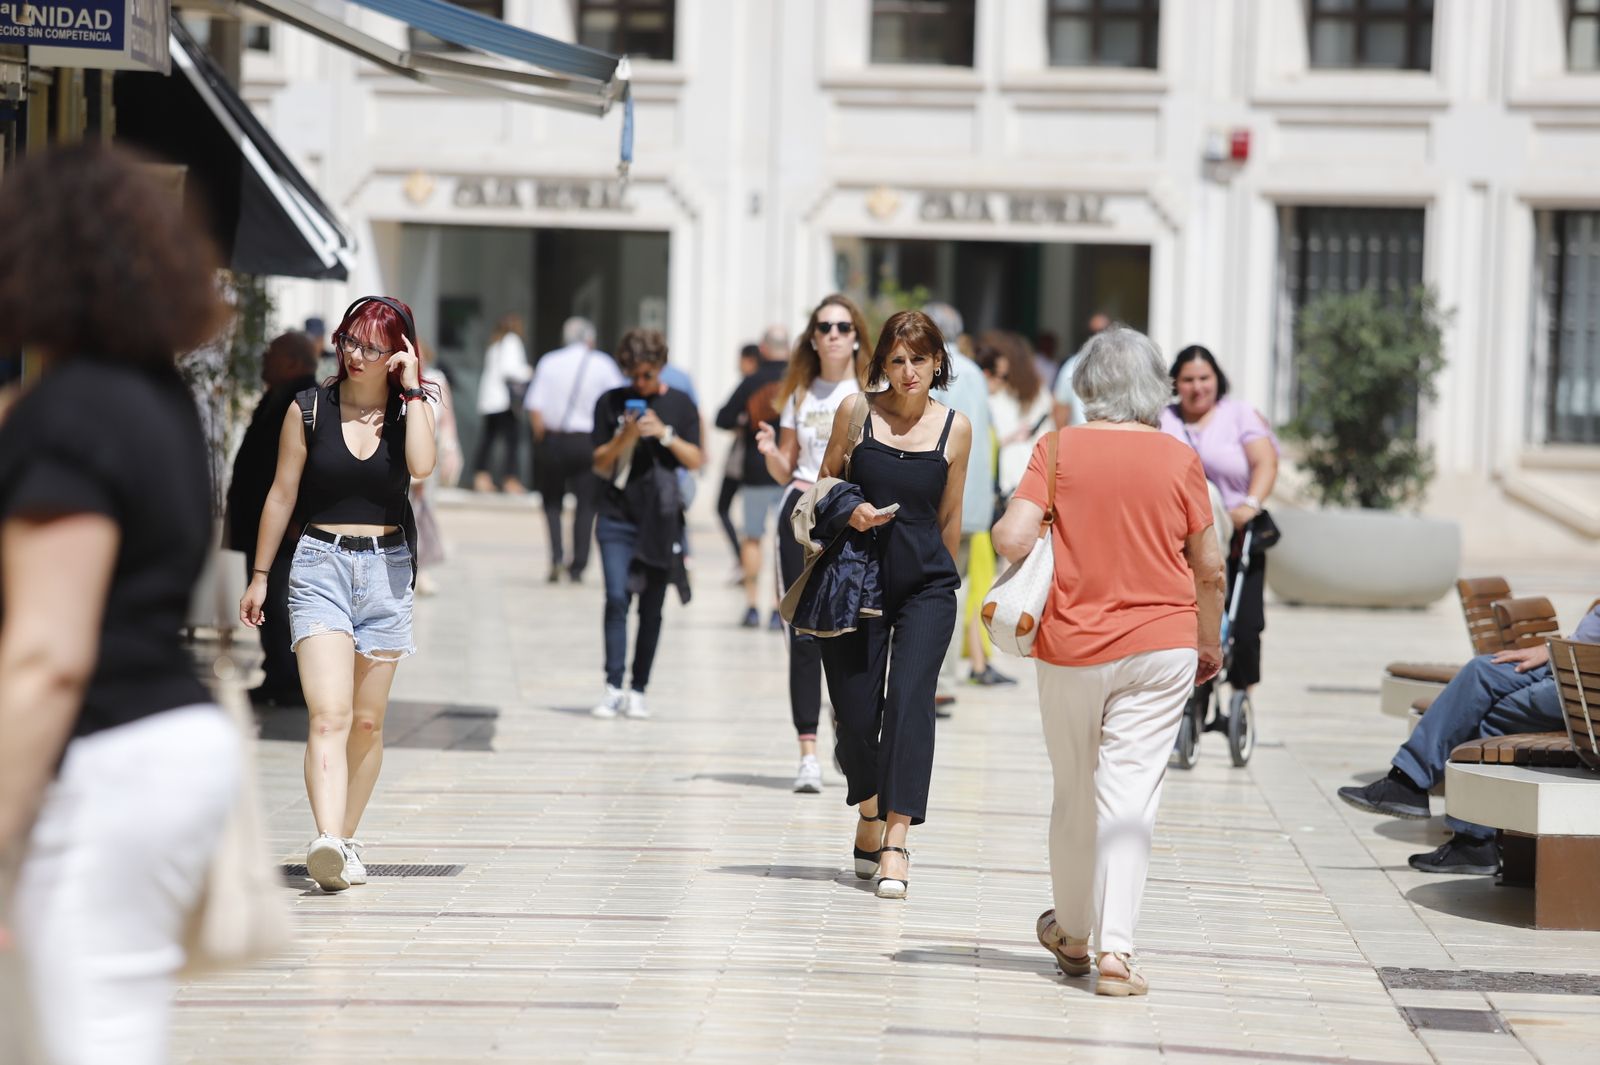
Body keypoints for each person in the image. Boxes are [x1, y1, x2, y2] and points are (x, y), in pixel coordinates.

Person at [0, 144, 239, 1065]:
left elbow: (47, 656)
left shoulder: (75, 415)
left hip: (102, 765)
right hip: (164, 748)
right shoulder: (157, 399)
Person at [993, 325, 1225, 998]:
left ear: (1087, 384)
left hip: (1072, 643)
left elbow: (1011, 538)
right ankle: (1116, 952)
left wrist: (1040, 520)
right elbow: (1209, 567)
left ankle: (1072, 933)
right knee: (1130, 795)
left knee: (1075, 791)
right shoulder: (1179, 458)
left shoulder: (1057, 447)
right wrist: (1209, 641)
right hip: (1162, 643)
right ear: (1154, 387)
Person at [239, 295, 438, 893]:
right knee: (329, 715)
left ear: (398, 353)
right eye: (350, 341)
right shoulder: (307, 409)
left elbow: (423, 467)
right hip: (319, 567)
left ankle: (345, 840)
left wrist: (413, 390)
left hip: (387, 573)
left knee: (367, 724)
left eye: (373, 347)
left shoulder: (409, 412)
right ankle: (326, 839)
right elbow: (281, 494)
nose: (357, 355)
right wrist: (260, 575)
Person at [818, 310, 972, 900]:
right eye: (898, 360)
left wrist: (946, 581)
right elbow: (825, 483)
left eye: (920, 360)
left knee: (910, 706)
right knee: (856, 714)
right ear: (882, 362)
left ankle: (897, 842)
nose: (909, 372)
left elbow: (950, 516)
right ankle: (870, 807)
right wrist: (850, 511)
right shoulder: (856, 411)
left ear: (938, 362)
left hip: (925, 587)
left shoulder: (955, 429)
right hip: (855, 584)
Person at [1337, 600, 1600, 873]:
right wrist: (1550, 648)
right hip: (1568, 664)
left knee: (1489, 716)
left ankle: (1473, 843)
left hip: (1584, 681)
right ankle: (1406, 782)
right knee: (1481, 670)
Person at [755, 295, 869, 793]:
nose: (834, 334)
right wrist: (769, 454)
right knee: (801, 635)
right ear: (813, 338)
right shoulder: (799, 394)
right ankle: (807, 753)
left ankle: (848, 732)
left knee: (849, 629)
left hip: (850, 513)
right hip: (801, 511)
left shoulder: (870, 391)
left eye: (843, 326)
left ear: (857, 336)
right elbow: (787, 465)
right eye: (824, 327)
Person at [590, 329, 704, 720]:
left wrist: (664, 434)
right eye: (633, 375)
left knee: (652, 607)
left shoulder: (681, 403)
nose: (640, 383)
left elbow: (696, 459)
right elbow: (599, 462)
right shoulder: (610, 402)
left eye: (648, 375)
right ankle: (612, 686)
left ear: (661, 367)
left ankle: (638, 688)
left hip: (661, 520)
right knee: (617, 597)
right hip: (615, 516)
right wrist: (625, 436)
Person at [1158, 345, 1278, 698]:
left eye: (1204, 378)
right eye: (1188, 380)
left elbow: (1266, 462)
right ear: (1176, 383)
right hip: (1180, 537)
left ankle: (1243, 691)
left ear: (1217, 379)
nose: (1197, 387)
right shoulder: (1163, 419)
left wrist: (1251, 504)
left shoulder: (1240, 415)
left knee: (1246, 626)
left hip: (1236, 531)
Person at [227, 331, 320, 705]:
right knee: (265, 603)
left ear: (293, 362)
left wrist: (298, 519)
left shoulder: (305, 401)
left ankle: (291, 680)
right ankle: (277, 674)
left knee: (279, 602)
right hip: (259, 519)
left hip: (287, 528)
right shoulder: (278, 395)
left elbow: (309, 468)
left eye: (273, 354)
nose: (265, 359)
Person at [922, 302, 993, 715]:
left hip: (940, 499)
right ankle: (944, 681)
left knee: (927, 590)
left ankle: (929, 680)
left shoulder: (932, 369)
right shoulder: (976, 373)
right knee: (955, 590)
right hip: (975, 499)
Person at [526, 317, 623, 584]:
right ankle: (578, 565)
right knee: (587, 504)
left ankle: (556, 557)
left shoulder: (549, 362)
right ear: (590, 339)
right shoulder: (603, 364)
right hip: (588, 440)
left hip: (555, 439)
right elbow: (617, 402)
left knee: (552, 502)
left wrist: (541, 438)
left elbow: (535, 407)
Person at [716, 326, 788, 629]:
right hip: (787, 468)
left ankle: (751, 607)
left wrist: (746, 420)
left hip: (756, 467)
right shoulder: (798, 379)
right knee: (783, 540)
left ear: (764, 348)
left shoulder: (752, 380)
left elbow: (722, 418)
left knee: (753, 537)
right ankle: (777, 609)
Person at [411, 342, 463, 596]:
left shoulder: (436, 380)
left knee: (424, 513)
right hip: (405, 456)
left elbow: (447, 421)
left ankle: (422, 569)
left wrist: (450, 451)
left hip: (429, 456)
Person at [716, 344, 762, 572]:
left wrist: (741, 424)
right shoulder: (770, 384)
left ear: (749, 360)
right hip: (760, 461)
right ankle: (743, 560)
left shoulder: (750, 385)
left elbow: (722, 418)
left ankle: (743, 560)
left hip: (744, 458)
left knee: (725, 508)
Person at [473, 313, 531, 494]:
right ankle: (510, 479)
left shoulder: (495, 344)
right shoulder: (512, 340)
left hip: (490, 399)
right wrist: (528, 371)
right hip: (505, 401)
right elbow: (510, 370)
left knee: (489, 439)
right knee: (512, 440)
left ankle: (481, 477)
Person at [1052, 311, 1110, 429]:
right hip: (1079, 436)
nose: (1098, 337)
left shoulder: (1122, 366)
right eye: (1093, 332)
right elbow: (1060, 410)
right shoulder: (1071, 366)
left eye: (1103, 331)